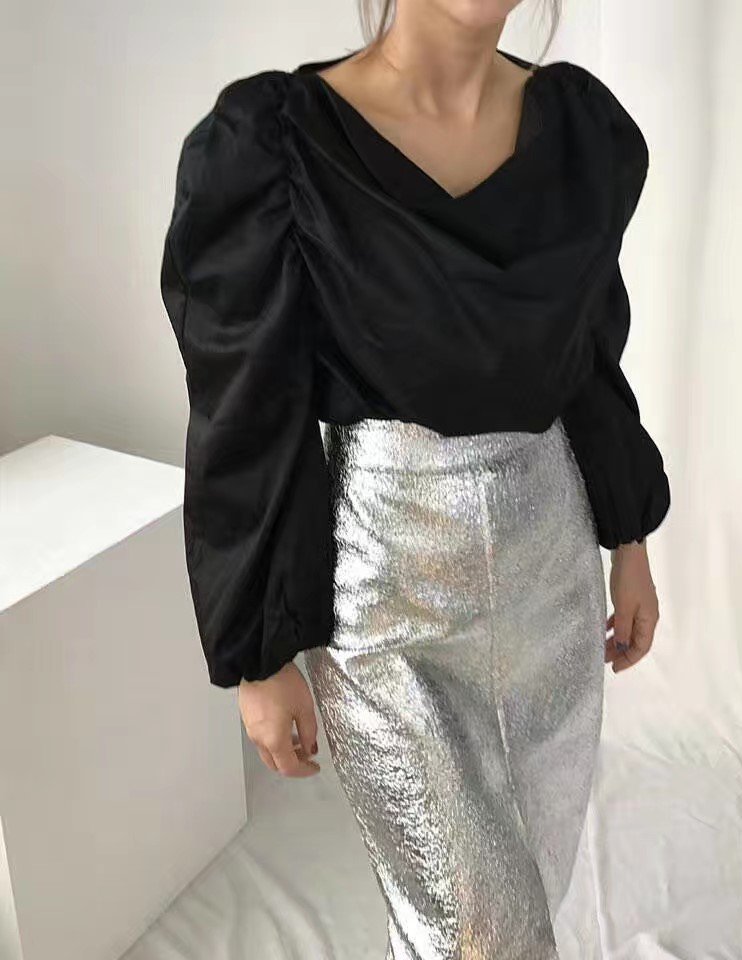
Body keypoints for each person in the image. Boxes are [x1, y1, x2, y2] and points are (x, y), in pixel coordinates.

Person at [160, 1, 670, 956]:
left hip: (552, 576)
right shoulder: (276, 147)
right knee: (477, 932)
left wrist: (629, 537)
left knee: (528, 890)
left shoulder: (581, 132)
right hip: (389, 593)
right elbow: (246, 412)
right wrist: (258, 654)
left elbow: (589, 360)